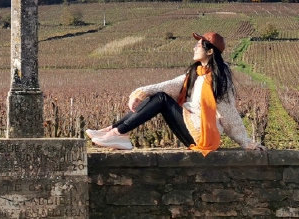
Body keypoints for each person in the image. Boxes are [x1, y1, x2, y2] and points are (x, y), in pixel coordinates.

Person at [87, 31, 267, 154]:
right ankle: (115, 131)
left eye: (198, 45)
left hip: (202, 135)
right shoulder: (197, 73)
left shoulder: (220, 78)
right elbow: (172, 85)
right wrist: (140, 92)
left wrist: (244, 140)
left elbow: (228, 111)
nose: (194, 48)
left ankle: (119, 134)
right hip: (190, 127)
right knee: (159, 96)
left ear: (210, 51)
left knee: (162, 99)